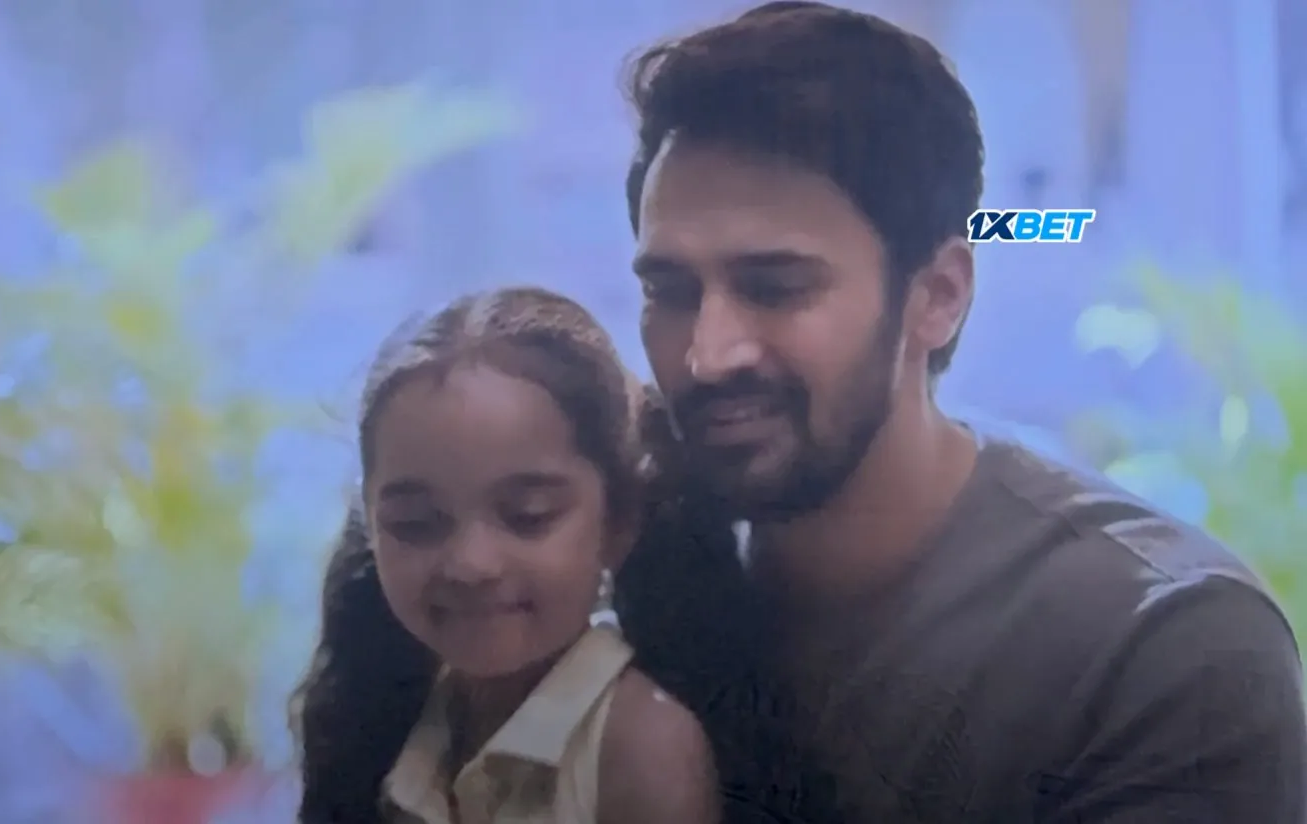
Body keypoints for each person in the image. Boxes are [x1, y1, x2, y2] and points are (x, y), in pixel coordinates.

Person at [622, 2, 1305, 822]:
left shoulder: (1156, 648)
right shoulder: (600, 562)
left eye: (776, 287)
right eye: (670, 291)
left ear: (938, 296)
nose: (707, 354)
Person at [290, 286, 840, 823]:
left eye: (528, 516)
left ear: (618, 522)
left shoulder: (636, 748)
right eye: (415, 524)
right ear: (370, 528)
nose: (471, 563)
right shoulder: (401, 719)